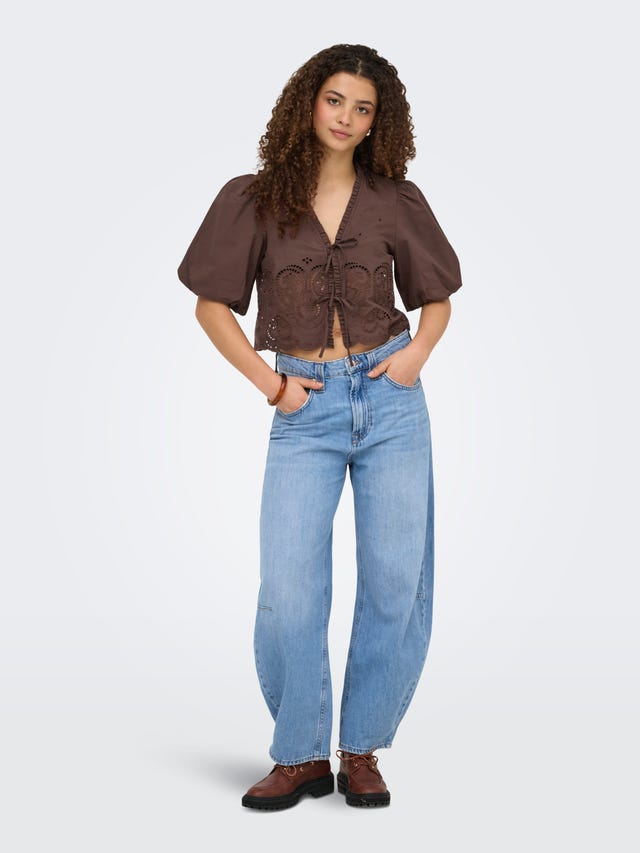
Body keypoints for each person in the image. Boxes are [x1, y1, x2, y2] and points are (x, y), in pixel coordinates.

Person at [177, 43, 463, 810]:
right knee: (290, 584)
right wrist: (273, 385)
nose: (346, 117)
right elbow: (210, 305)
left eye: (363, 109)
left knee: (396, 580)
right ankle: (301, 752)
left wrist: (415, 357)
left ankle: (360, 748)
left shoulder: (396, 199)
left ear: (377, 124)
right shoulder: (253, 198)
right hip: (304, 410)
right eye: (335, 99)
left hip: (392, 402)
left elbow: (437, 300)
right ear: (308, 101)